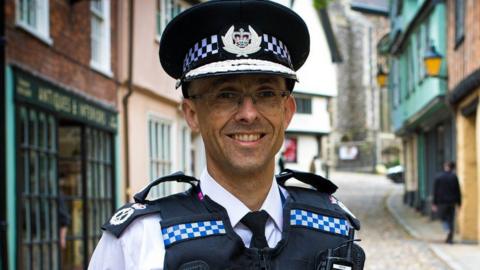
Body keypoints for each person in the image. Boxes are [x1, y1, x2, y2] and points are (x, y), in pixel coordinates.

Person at [89, 1, 365, 269]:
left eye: (266, 93)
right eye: (226, 94)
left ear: (287, 110)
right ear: (192, 114)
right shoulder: (139, 240)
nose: (248, 114)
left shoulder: (334, 231)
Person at [432, 161, 461, 244]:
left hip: (442, 202)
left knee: (442, 217)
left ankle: (447, 229)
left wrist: (434, 203)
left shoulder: (439, 177)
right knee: (451, 219)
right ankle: (450, 238)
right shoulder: (454, 177)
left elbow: (435, 191)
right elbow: (458, 191)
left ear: (446, 166)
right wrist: (459, 203)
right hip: (452, 202)